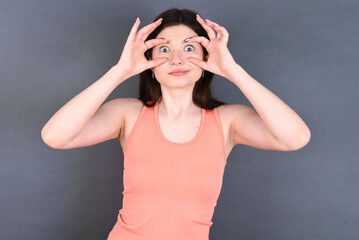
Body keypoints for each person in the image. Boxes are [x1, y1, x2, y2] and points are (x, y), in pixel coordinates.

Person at [41, 8, 311, 240]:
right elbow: (55, 136)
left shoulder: (227, 121)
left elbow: (295, 138)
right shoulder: (128, 113)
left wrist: (234, 72)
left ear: (206, 59)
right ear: (150, 62)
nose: (177, 59)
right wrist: (119, 72)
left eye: (190, 48)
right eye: (165, 49)